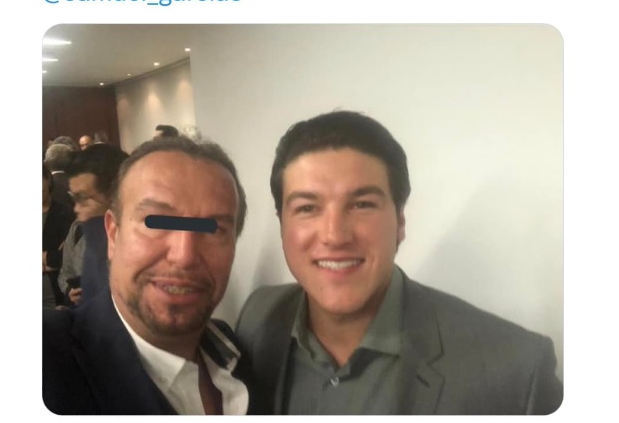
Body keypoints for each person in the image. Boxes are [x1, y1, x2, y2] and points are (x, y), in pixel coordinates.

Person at [235, 110, 563, 415]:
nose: (335, 236)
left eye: (362, 204)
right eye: (307, 208)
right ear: (283, 225)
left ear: (400, 221)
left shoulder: (516, 373)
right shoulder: (258, 317)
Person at [43, 136, 255, 414]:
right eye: (154, 222)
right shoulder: (49, 356)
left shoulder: (237, 352)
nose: (184, 256)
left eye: (212, 230)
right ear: (113, 234)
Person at [57, 144, 128, 307]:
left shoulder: (147, 244)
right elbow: (65, 271)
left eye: (82, 198)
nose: (76, 208)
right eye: (73, 198)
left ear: (114, 194)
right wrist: (69, 291)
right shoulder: (78, 229)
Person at [42, 164, 75, 308]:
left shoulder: (66, 213)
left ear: (48, 179)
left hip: (55, 295)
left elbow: (67, 257)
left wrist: (49, 258)